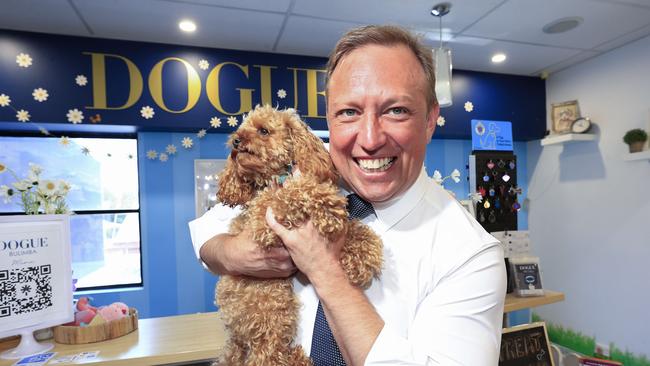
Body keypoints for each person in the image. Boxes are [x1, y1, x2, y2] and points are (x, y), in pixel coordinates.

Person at [189, 25, 506, 365]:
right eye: (349, 112)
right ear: (330, 119)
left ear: (430, 120)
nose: (369, 139)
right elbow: (208, 230)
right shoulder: (310, 171)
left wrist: (323, 268)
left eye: (395, 110)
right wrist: (238, 253)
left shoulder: (470, 255)